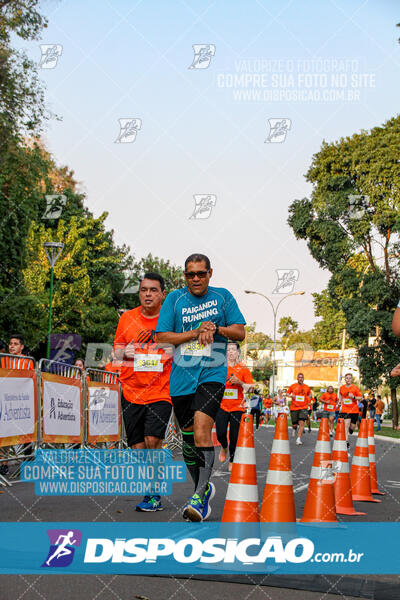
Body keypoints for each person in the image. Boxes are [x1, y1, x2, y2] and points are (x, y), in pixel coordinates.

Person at [156, 253, 245, 522]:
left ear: (210, 273)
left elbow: (239, 331)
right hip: (182, 378)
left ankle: (199, 498)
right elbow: (162, 338)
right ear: (185, 276)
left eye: (201, 273)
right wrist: (196, 332)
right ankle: (202, 489)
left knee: (202, 429)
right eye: (190, 274)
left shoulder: (223, 297)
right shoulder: (174, 299)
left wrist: (216, 328)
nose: (196, 278)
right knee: (188, 440)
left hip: (212, 373)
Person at [114, 272, 173, 512]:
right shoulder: (127, 318)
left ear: (162, 295)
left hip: (161, 390)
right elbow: (116, 351)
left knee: (152, 439)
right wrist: (124, 353)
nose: (148, 294)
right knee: (138, 448)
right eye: (144, 290)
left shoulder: (170, 321)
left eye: (153, 290)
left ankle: (154, 494)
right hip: (131, 390)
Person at [215, 341, 253, 472]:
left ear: (238, 352)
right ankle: (224, 447)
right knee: (220, 433)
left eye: (233, 350)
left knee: (234, 437)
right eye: (228, 350)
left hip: (237, 407)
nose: (230, 352)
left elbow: (251, 388)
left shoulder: (243, 369)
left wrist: (240, 382)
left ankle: (232, 458)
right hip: (222, 406)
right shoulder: (220, 368)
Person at [286, 373, 312, 445]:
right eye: (299, 377)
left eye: (302, 377)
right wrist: (291, 395)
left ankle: (298, 439)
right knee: (294, 424)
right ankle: (294, 429)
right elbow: (287, 393)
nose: (301, 379)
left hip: (303, 408)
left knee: (302, 423)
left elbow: (310, 394)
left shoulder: (307, 387)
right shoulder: (293, 386)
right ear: (297, 378)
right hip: (294, 407)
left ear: (303, 379)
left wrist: (309, 397)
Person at [339, 373, 363, 448]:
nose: (348, 379)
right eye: (347, 378)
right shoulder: (342, 388)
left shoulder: (355, 388)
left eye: (350, 378)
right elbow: (340, 395)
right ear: (345, 379)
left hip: (354, 410)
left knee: (352, 427)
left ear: (352, 379)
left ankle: (351, 430)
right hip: (345, 409)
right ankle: (346, 442)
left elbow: (361, 398)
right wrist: (340, 401)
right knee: (346, 424)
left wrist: (354, 397)